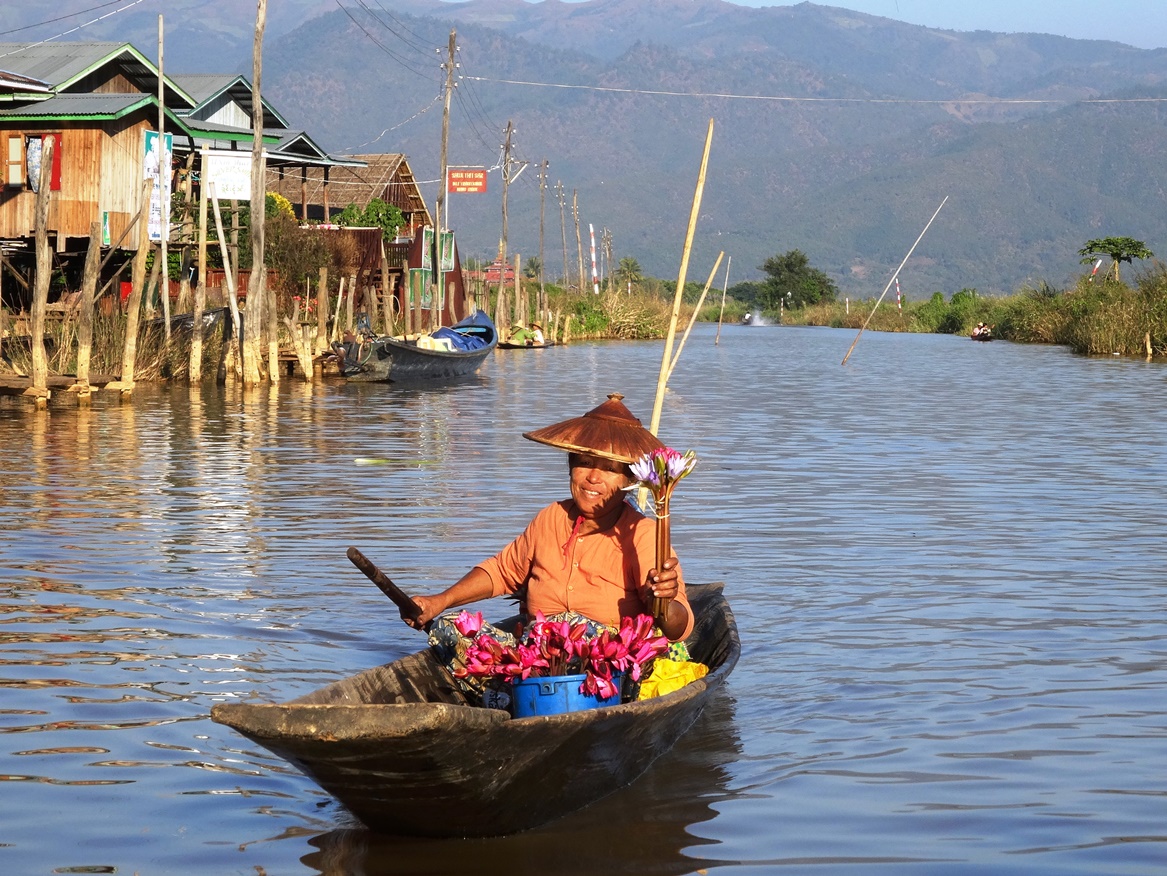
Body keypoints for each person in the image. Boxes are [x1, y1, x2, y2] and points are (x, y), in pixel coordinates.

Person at [403, 393, 695, 643]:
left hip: (612, 662)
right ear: (570, 467)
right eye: (584, 463)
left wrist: (665, 603)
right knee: (448, 630)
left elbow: (677, 627)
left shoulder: (642, 534)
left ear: (628, 480)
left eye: (608, 469)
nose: (592, 477)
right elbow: (503, 571)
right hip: (537, 651)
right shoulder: (551, 518)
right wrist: (439, 601)